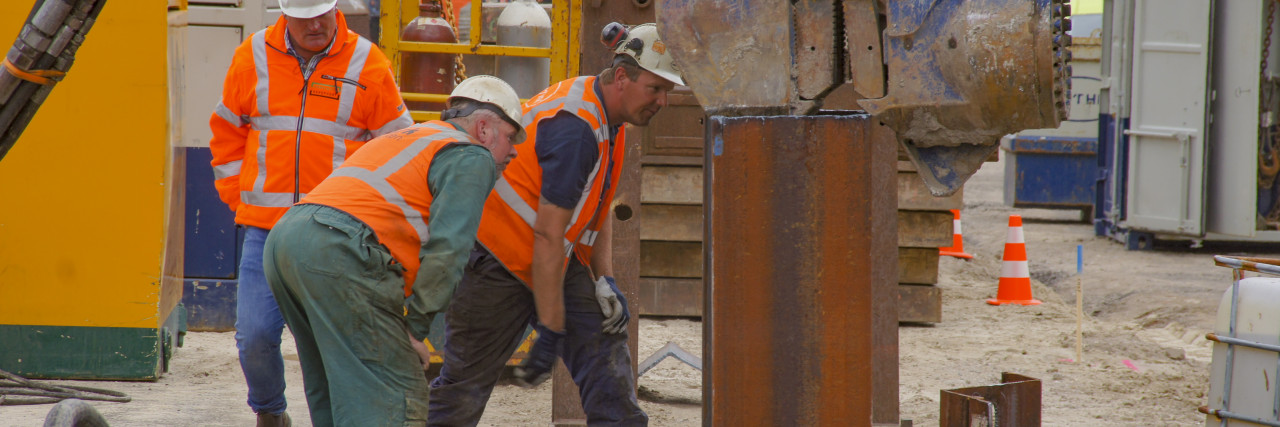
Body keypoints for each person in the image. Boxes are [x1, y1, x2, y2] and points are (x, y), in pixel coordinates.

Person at [427, 23, 683, 426]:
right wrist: (550, 325)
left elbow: (597, 208)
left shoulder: (609, 117)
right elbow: (547, 233)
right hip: (498, 259)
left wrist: (605, 280)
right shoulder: (576, 128)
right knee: (463, 388)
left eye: (668, 91)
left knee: (606, 356)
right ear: (622, 77)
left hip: (552, 259)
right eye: (656, 88)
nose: (664, 101)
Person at [262, 75, 525, 426]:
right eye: (510, 137)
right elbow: (449, 251)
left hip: (288, 240)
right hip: (339, 249)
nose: (514, 150)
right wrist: (415, 330)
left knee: (335, 388)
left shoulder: (413, 137)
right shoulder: (471, 154)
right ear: (483, 129)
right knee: (397, 399)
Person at [207, 0, 413, 425]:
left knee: (329, 346)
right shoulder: (252, 56)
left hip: (334, 236)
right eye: (305, 16)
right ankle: (270, 412)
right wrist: (238, 198)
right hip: (265, 229)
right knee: (255, 337)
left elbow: (399, 146)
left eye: (322, 12)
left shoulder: (367, 63)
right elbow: (227, 134)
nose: (316, 24)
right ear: (286, 14)